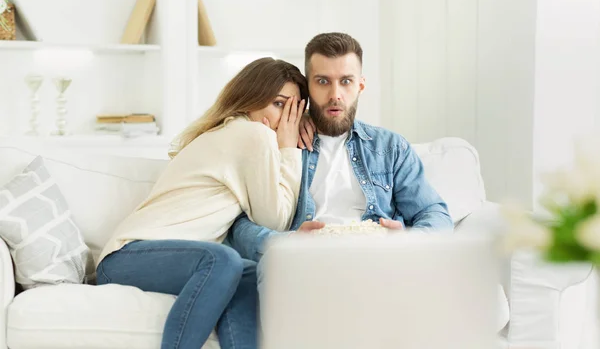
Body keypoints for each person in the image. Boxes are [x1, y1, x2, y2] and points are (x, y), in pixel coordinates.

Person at [95, 57, 308, 349]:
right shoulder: (252, 133)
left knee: (246, 273)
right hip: (125, 259)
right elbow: (276, 219)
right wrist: (288, 147)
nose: (286, 120)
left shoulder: (236, 132)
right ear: (252, 98)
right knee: (222, 260)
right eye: (279, 104)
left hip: (156, 258)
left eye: (294, 110)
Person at [226, 32, 454, 263]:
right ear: (308, 86)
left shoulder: (390, 148)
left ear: (360, 85)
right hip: (304, 262)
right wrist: (288, 242)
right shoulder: (282, 144)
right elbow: (239, 225)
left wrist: (406, 241)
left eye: (346, 81)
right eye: (323, 81)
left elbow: (435, 214)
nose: (335, 95)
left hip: (378, 260)